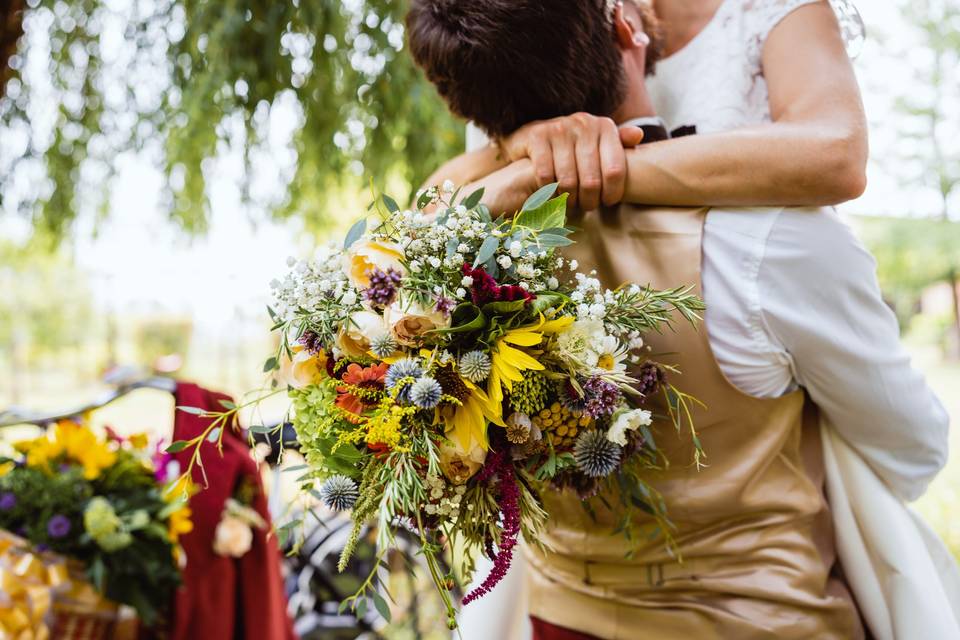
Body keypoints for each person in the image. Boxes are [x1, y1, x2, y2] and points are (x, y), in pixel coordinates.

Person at [405, 1, 951, 638]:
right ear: (624, 27)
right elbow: (915, 448)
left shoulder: (446, 272)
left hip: (555, 617)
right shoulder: (772, 244)